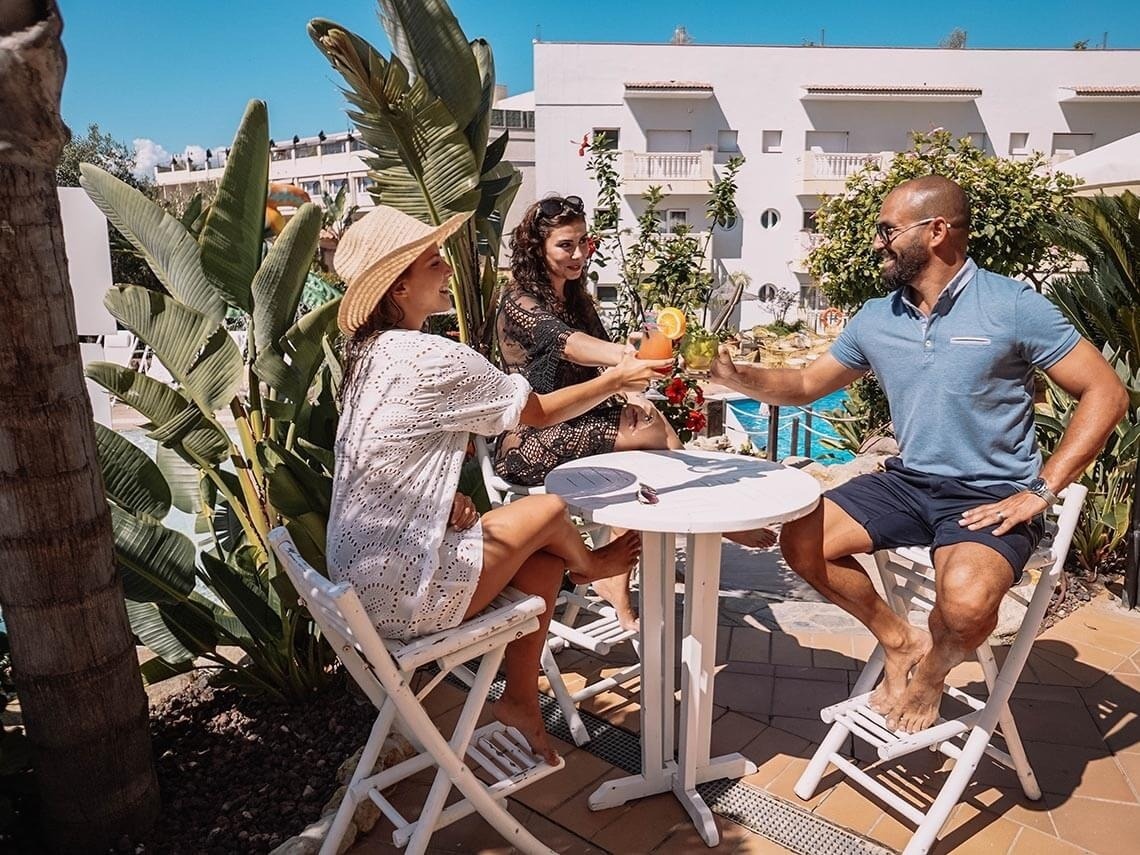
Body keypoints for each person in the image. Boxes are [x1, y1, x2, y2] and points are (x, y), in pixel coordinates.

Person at [710, 175, 1127, 734]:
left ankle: (931, 675)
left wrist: (1040, 490)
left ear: (935, 232)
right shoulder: (878, 318)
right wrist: (737, 376)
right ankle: (900, 640)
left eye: (887, 230)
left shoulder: (1012, 306)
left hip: (990, 493)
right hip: (909, 482)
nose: (877, 242)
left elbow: (1107, 392)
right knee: (801, 539)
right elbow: (809, 382)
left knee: (965, 603)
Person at [326, 205, 669, 765]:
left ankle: (520, 704)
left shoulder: (369, 355)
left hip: (361, 577)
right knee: (553, 511)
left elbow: (386, 459)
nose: (445, 267)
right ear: (398, 287)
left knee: (542, 560)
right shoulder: (429, 355)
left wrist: (442, 502)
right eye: (430, 260)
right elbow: (532, 413)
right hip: (404, 590)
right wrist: (614, 381)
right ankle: (595, 567)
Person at [493, 195, 776, 629]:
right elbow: (570, 345)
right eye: (566, 245)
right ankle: (694, 528)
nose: (579, 254)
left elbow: (606, 359)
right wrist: (626, 357)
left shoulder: (576, 298)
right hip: (529, 438)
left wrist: (633, 392)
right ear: (538, 249)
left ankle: (633, 568)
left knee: (647, 429)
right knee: (647, 438)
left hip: (581, 420)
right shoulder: (519, 302)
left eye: (584, 242)